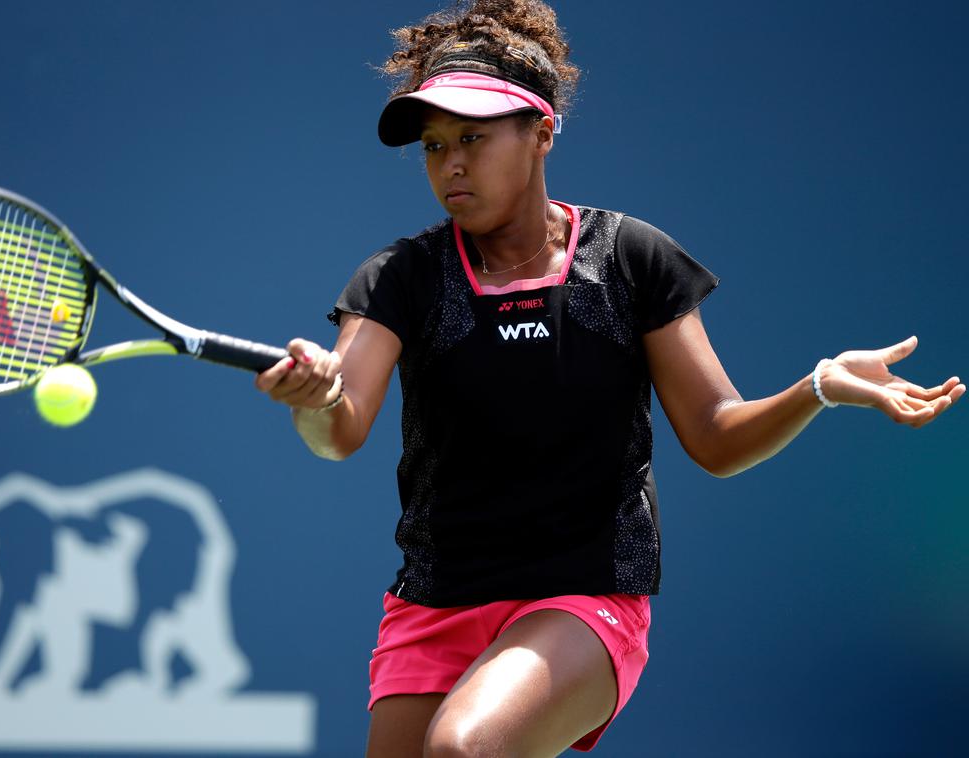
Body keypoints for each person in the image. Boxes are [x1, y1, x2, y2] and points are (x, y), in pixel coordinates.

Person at [255, 1, 964, 755]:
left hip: (584, 599)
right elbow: (339, 429)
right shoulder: (401, 277)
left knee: (464, 749)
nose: (450, 163)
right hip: (433, 603)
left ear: (542, 134)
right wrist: (317, 397)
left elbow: (717, 437)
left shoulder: (630, 260)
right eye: (433, 146)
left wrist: (816, 386)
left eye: (472, 137)